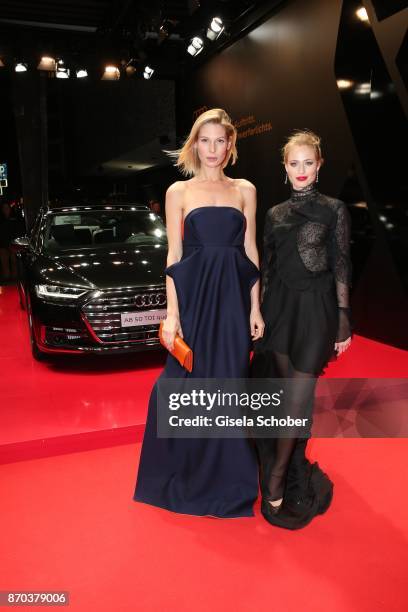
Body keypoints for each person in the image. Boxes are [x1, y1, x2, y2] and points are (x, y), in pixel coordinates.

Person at [133, 108, 265, 517]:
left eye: (219, 141)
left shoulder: (245, 189)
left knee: (230, 381)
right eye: (204, 140)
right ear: (195, 144)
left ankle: (231, 479)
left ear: (230, 146)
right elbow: (173, 254)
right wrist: (172, 315)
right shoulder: (178, 192)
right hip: (193, 299)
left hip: (233, 300)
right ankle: (187, 473)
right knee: (186, 383)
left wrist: (255, 307)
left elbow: (250, 250)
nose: (212, 149)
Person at [250, 130, 352, 529]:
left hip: (316, 311)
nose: (301, 170)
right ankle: (284, 469)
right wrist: (258, 312)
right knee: (282, 401)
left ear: (320, 164)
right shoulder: (274, 213)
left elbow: (341, 263)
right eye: (294, 163)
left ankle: (274, 479)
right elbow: (268, 270)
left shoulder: (334, 209)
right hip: (279, 312)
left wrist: (343, 318)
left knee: (296, 399)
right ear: (285, 167)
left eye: (309, 162)